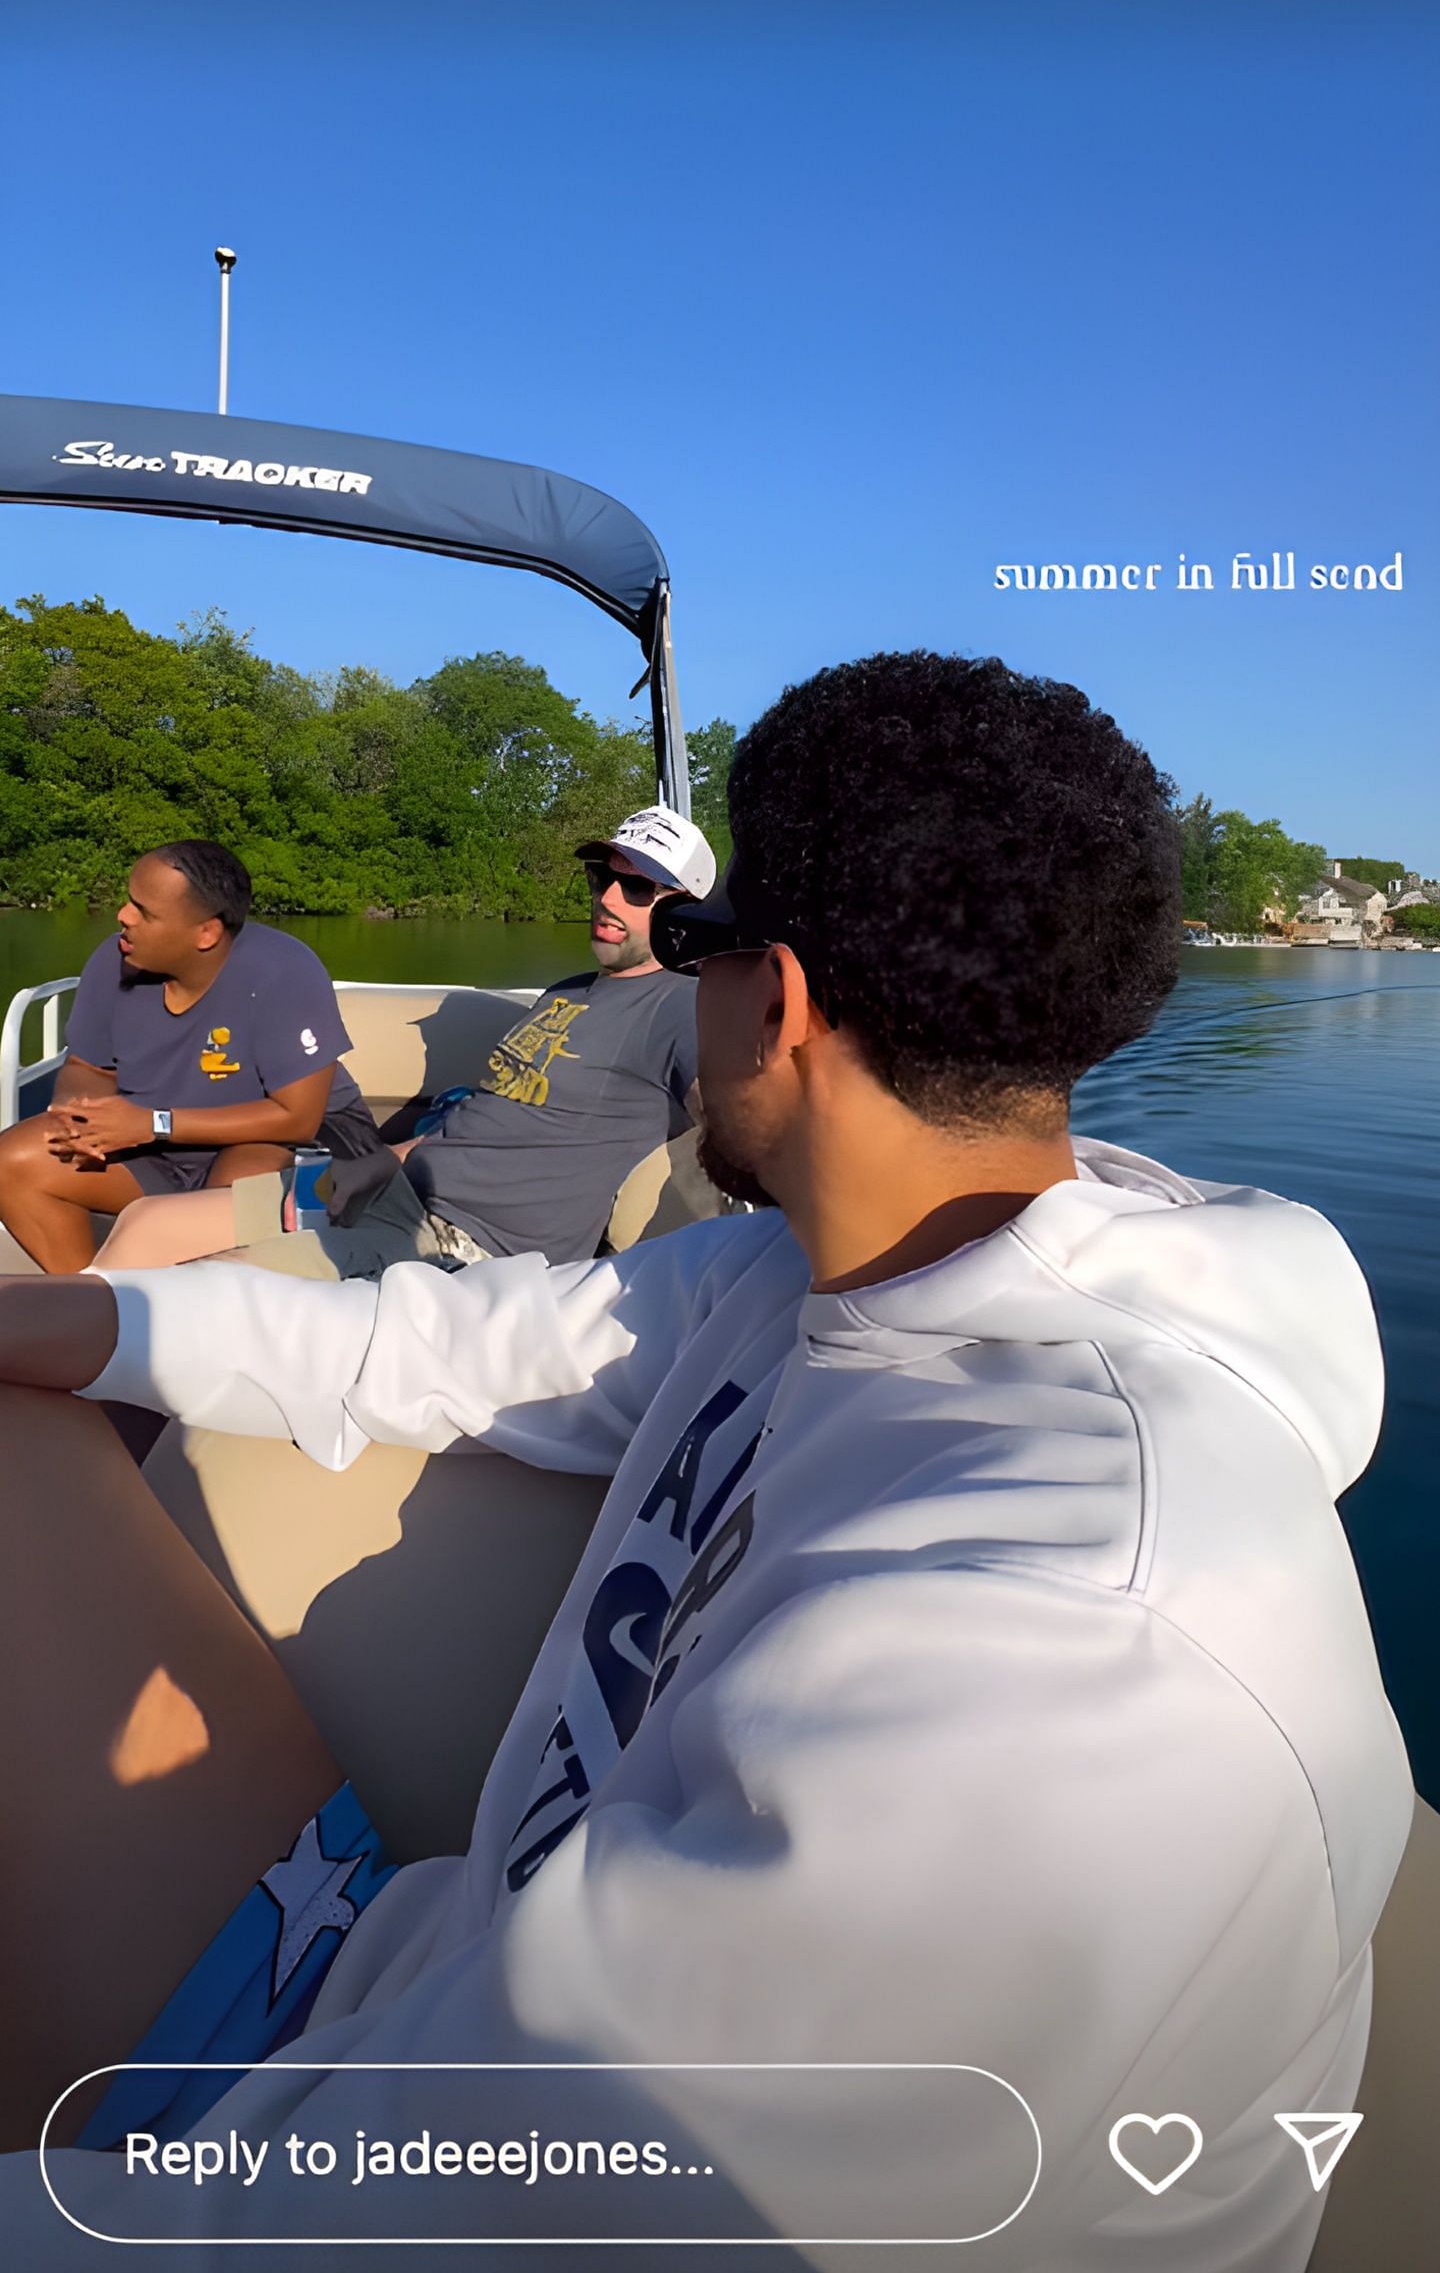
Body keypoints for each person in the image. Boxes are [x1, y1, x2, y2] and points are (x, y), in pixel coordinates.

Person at [0, 652, 1412, 2270]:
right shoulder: (796, 1275)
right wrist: (64, 1331)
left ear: (780, 1001)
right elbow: (447, 1347)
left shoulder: (1077, 1653)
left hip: (358, 2170)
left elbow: (483, 2226)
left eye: (705, 944)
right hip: (400, 1992)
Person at [91, 805, 716, 1281]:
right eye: (602, 877)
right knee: (148, 1225)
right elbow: (478, 1129)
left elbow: (741, 1121)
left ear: (687, 911)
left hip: (461, 1247)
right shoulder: (567, 993)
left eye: (637, 889)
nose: (607, 897)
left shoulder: (686, 1006)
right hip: (394, 1190)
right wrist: (376, 1159)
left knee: (196, 1286)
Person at [0, 840, 380, 1274]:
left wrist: (153, 1123)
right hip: (154, 1146)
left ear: (207, 933)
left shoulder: (283, 971)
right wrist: (81, 1117)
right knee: (14, 1162)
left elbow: (296, 1118)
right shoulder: (114, 960)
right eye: (129, 901)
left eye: (145, 911)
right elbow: (89, 1065)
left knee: (236, 1191)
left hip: (280, 1143)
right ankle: (96, 1306)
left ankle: (206, 1304)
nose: (123, 916)